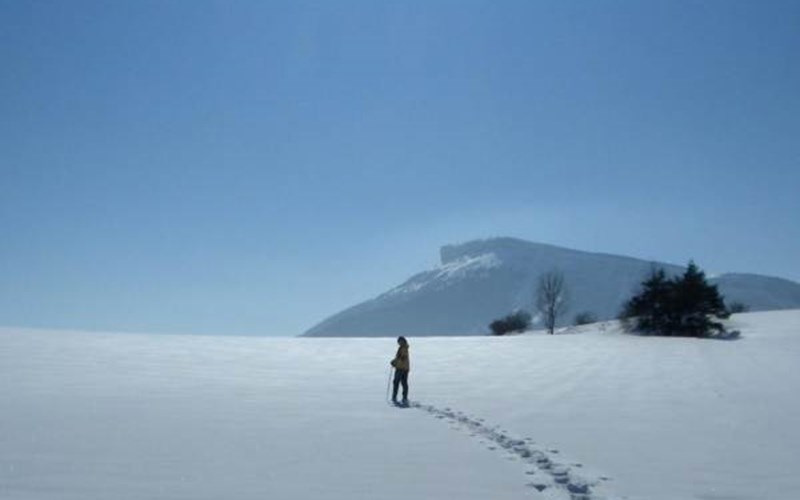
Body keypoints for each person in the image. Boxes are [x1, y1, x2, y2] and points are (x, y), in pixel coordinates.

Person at [390, 336, 410, 406]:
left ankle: (395, 397)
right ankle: (404, 398)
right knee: (403, 383)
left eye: (400, 341)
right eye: (398, 342)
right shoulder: (403, 348)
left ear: (403, 341)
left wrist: (395, 362)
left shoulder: (403, 348)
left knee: (396, 382)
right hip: (404, 368)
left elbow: (402, 358)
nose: (399, 343)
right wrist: (395, 362)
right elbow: (400, 358)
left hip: (401, 368)